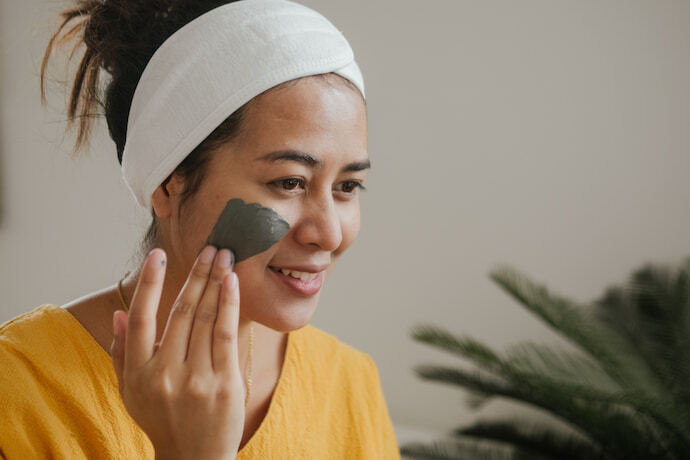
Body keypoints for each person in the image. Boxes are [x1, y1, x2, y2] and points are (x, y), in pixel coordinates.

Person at [0, 0, 400, 458]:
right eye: (289, 182)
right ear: (169, 182)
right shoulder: (19, 389)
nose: (328, 234)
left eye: (348, 186)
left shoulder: (350, 383)